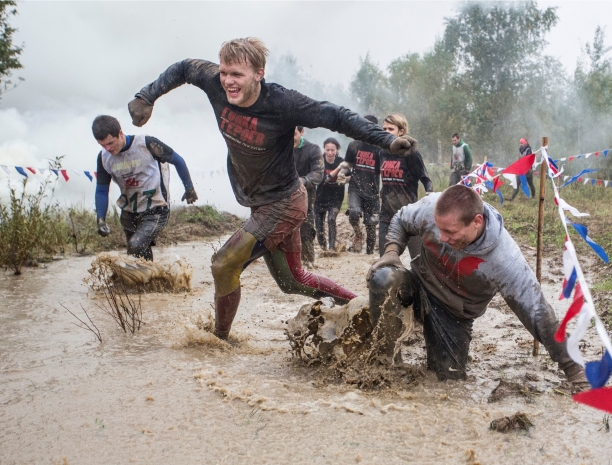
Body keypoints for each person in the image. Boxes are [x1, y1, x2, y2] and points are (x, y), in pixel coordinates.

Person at [127, 37, 418, 340]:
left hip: (285, 203)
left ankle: (218, 341)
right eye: (224, 72)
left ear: (259, 74)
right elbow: (184, 68)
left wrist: (386, 140)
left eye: (237, 74)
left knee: (224, 264)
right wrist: (147, 96)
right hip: (260, 202)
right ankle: (368, 310)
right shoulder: (213, 81)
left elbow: (336, 116)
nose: (228, 81)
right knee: (293, 281)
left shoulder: (283, 103)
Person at [366, 185, 588, 391]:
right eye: (439, 229)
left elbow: (538, 314)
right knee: (384, 278)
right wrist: (392, 251)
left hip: (452, 315)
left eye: (450, 232)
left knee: (447, 384)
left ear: (477, 222)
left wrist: (573, 369)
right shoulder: (429, 208)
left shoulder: (505, 260)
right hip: (419, 284)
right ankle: (386, 366)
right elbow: (401, 218)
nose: (442, 237)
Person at [92, 115, 197, 262]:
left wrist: (189, 188)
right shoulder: (104, 158)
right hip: (129, 212)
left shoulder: (147, 144)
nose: (108, 148)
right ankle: (153, 276)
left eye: (110, 143)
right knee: (137, 257)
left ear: (120, 133)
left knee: (136, 245)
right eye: (103, 145)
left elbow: (177, 160)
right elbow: (102, 190)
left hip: (155, 208)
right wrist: (101, 220)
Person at [378, 113, 432, 257]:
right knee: (384, 258)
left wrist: (429, 194)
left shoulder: (411, 153)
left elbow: (425, 178)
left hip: (409, 214)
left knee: (418, 258)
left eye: (391, 129)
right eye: (384, 129)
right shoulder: (382, 152)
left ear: (401, 131)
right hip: (386, 214)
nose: (386, 132)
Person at [340, 115, 382, 254]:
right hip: (355, 187)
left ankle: (369, 254)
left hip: (372, 190)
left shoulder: (379, 148)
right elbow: (348, 164)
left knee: (371, 225)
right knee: (354, 212)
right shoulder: (354, 145)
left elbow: (385, 169)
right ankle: (358, 233)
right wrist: (342, 173)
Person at [293, 126, 323, 267]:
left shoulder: (313, 149)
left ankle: (308, 261)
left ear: (302, 132)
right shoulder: (279, 148)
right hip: (281, 197)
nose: (290, 138)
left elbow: (318, 174)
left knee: (306, 230)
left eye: (294, 134)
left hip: (305, 197)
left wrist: (303, 181)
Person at [315, 138, 345, 251]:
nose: (330, 153)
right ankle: (323, 249)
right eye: (328, 150)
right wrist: (338, 169)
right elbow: (323, 179)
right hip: (320, 197)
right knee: (319, 226)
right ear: (324, 149)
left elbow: (350, 175)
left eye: (333, 150)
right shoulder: (319, 161)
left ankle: (332, 248)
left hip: (336, 197)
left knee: (331, 219)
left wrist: (344, 178)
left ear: (337, 150)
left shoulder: (341, 161)